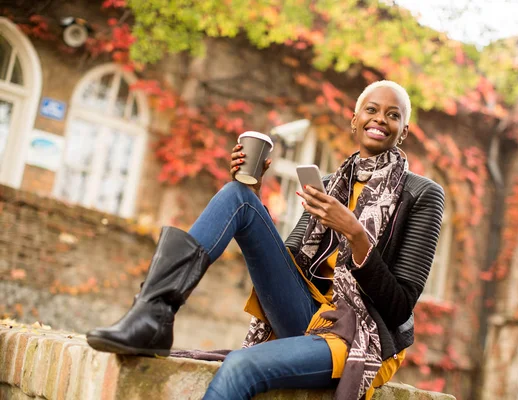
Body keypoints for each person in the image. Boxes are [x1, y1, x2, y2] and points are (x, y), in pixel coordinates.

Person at [86, 80, 445, 400]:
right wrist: (255, 196)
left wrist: (354, 233)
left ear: (404, 131)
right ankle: (154, 314)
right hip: (306, 314)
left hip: (360, 337)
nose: (380, 119)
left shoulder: (423, 194)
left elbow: (400, 307)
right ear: (354, 120)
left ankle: (154, 316)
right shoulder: (334, 183)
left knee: (242, 366)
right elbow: (287, 264)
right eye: (371, 110)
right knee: (236, 196)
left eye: (392, 115)